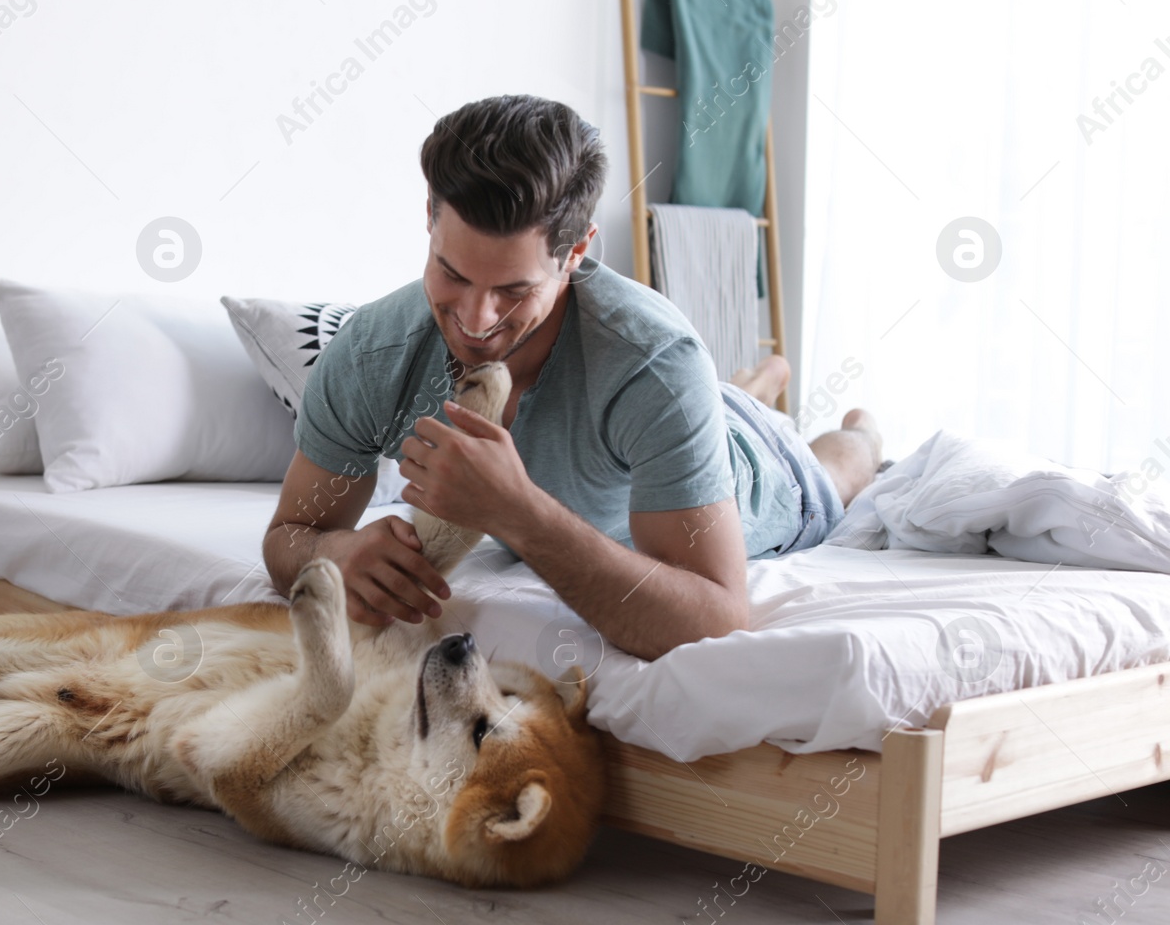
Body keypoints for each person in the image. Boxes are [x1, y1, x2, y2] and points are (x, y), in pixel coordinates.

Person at [262, 94, 882, 662]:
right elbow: (290, 535)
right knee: (710, 402)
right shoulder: (373, 353)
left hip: (760, 471)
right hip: (672, 418)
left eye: (513, 290)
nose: (476, 321)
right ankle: (754, 385)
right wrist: (332, 553)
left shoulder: (655, 364)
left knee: (836, 465)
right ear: (429, 215)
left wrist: (517, 510)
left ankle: (850, 427)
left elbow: (714, 620)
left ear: (578, 251)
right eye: (452, 274)